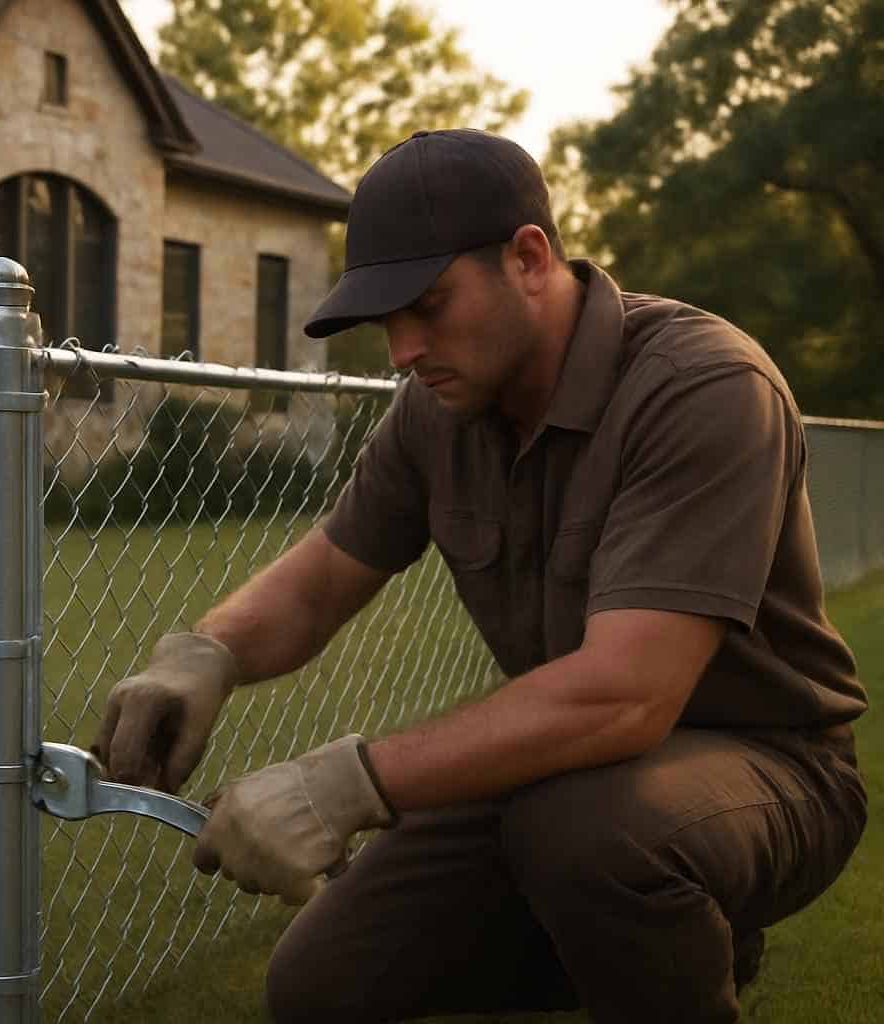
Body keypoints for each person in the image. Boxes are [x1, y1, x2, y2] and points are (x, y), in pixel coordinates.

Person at [90, 128, 868, 1023]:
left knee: (588, 837)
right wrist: (204, 654)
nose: (402, 350)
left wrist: (345, 783)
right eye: (386, 322)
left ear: (528, 258)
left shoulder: (702, 387)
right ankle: (676, 933)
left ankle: (673, 927)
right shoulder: (438, 411)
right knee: (324, 982)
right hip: (564, 773)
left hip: (772, 766)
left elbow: (626, 696)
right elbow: (323, 577)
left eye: (425, 306)